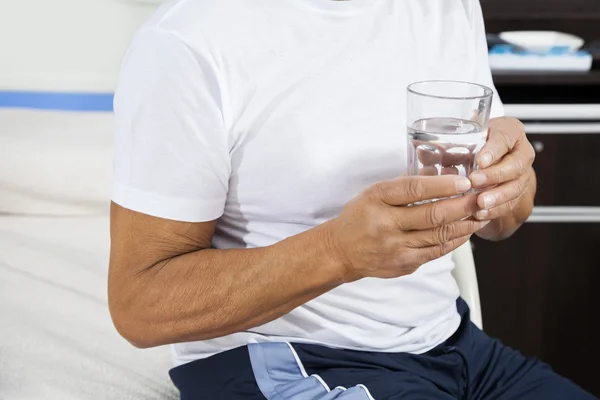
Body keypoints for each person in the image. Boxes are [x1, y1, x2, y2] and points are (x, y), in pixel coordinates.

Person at [107, 0, 594, 398]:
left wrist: (510, 182)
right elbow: (139, 305)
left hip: (455, 345)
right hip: (289, 357)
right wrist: (337, 253)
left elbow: (505, 221)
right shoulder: (189, 39)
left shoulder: (446, 9)